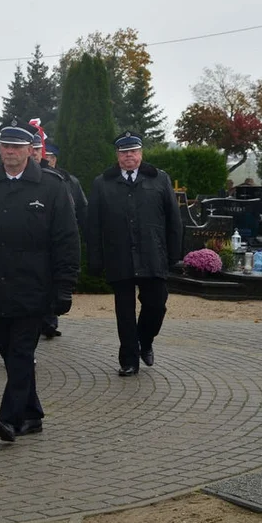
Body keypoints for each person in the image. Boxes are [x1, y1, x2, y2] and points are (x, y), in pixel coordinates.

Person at [0, 119, 80, 441]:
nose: (10, 152)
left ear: (30, 151)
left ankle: (9, 419)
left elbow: (67, 240)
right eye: (5, 146)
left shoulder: (51, 187)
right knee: (9, 353)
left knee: (21, 352)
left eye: (17, 147)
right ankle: (32, 414)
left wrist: (65, 286)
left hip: (36, 284)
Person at [86, 131, 183, 377]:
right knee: (125, 312)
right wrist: (95, 259)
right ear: (117, 155)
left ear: (141, 153)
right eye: (124, 152)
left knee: (156, 305)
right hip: (119, 256)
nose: (129, 156)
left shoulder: (159, 179)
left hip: (153, 255)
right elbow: (93, 225)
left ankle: (145, 340)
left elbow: (174, 220)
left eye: (134, 151)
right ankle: (129, 359)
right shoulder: (102, 183)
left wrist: (174, 255)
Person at [38, 140, 87, 339]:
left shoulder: (69, 181)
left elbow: (82, 209)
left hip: (62, 236)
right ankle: (41, 320)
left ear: (55, 159)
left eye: (48, 157)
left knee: (54, 279)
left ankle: (50, 321)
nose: (45, 160)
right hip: (41, 238)